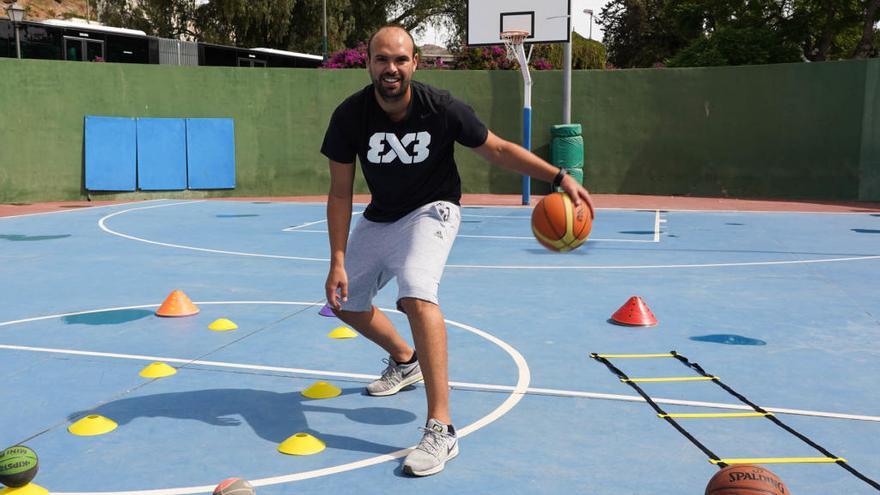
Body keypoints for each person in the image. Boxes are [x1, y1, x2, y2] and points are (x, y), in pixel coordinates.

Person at [320, 24, 594, 477]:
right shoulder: (350, 116)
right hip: (381, 215)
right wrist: (337, 261)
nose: (391, 68)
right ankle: (406, 361)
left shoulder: (441, 108)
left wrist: (559, 177)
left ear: (415, 64)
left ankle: (441, 428)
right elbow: (339, 194)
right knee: (342, 301)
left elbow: (501, 150)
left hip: (433, 210)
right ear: (369, 63)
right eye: (382, 59)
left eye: (400, 59)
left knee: (415, 293)